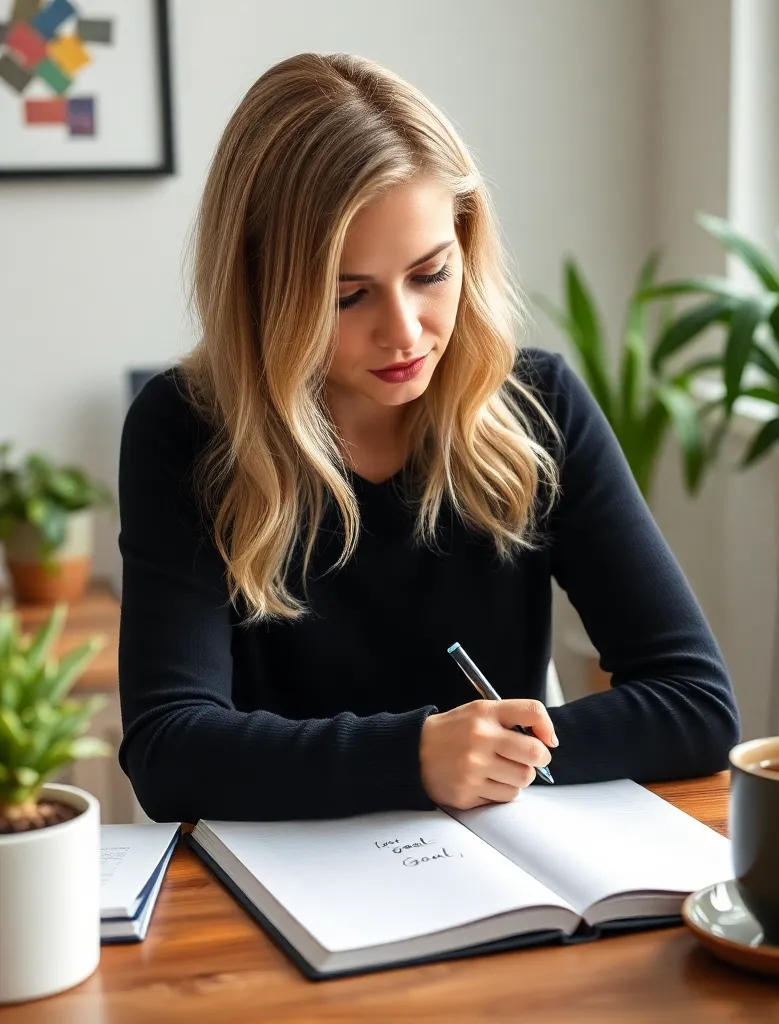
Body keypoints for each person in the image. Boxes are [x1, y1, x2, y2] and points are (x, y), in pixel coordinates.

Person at [117, 52, 739, 824]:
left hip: (492, 868)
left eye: (430, 274)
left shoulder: (538, 407)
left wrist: (489, 756)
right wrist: (415, 757)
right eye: (348, 296)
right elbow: (169, 750)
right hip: (277, 880)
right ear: (261, 290)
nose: (405, 332)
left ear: (465, 245)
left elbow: (697, 704)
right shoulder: (184, 430)